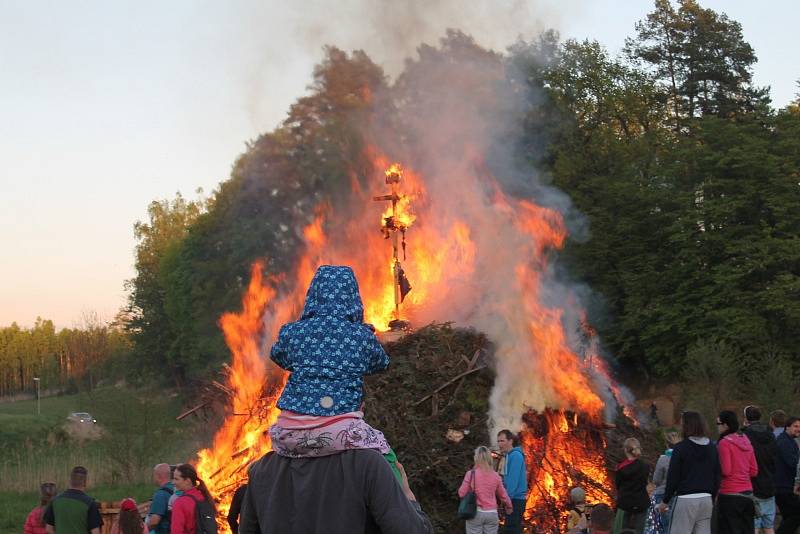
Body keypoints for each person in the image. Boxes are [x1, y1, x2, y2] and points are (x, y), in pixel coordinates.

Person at [268, 265, 398, 471]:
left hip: (288, 434)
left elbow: (277, 355)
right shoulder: (361, 336)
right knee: (388, 458)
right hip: (340, 433)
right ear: (352, 296)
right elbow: (381, 363)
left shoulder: (292, 332)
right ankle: (408, 500)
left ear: (313, 293)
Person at [237, 449, 433, 533]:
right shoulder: (367, 462)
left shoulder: (262, 468)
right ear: (359, 407)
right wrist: (409, 499)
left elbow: (247, 530)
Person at [657, 410, 719, 534]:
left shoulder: (681, 448)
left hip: (686, 500)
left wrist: (665, 501)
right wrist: (713, 496)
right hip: (706, 499)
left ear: (686, 426)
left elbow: (673, 477)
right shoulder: (712, 447)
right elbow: (717, 474)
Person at [716, 410, 758, 534]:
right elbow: (754, 471)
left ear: (725, 425)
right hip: (748, 494)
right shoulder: (746, 441)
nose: (717, 427)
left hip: (729, 494)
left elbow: (726, 470)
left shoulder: (724, 443)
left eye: (718, 424)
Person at [458, 446, 513, 534]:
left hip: (476, 513)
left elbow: (461, 493)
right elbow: (503, 495)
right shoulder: (496, 476)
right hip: (492, 514)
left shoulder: (471, 474)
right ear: (489, 458)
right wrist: (509, 506)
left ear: (476, 458)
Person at [742, 405, 778, 534]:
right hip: (769, 484)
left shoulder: (745, 436)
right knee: (769, 526)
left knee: (753, 526)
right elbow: (775, 459)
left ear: (746, 418)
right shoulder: (771, 435)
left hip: (752, 485)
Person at [44, 466, 102, 534]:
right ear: (85, 482)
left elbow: (48, 529)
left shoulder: (55, 501)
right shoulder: (90, 503)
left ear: (70, 480)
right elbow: (95, 532)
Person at [613, 437, 649, 534]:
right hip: (641, 501)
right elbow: (644, 482)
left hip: (625, 502)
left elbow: (618, 485)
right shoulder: (645, 466)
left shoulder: (620, 468)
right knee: (640, 530)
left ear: (625, 450)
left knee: (622, 530)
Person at [647, 431, 679, 534]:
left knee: (664, 525)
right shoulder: (682, 458)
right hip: (679, 495)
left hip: (662, 495)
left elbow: (656, 480)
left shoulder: (663, 459)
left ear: (666, 443)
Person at [496, 429, 527, 534]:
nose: (500, 444)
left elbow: (513, 482)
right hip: (513, 499)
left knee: (511, 530)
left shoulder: (515, 456)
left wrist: (507, 502)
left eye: (502, 441)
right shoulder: (509, 456)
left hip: (515, 500)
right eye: (498, 441)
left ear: (510, 441)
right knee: (514, 529)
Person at [170, 463, 215, 534]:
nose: (173, 482)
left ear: (187, 481)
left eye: (176, 479)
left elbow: (176, 531)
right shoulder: (204, 496)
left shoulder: (180, 503)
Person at [774, 416, 800, 534]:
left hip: (786, 486)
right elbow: (793, 463)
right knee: (796, 515)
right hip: (783, 487)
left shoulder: (789, 441)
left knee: (788, 517)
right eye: (796, 426)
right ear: (787, 427)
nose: (798, 429)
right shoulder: (784, 442)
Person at [147, 464, 175, 534]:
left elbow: (154, 521)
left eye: (154, 475)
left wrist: (142, 530)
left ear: (158, 476)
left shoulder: (161, 494)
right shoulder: (176, 489)